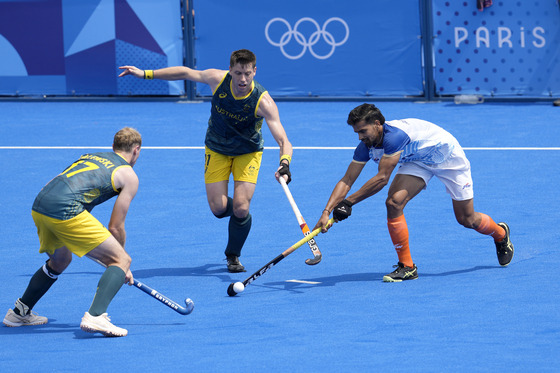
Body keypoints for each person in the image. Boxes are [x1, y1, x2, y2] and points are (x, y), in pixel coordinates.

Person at [119, 49, 293, 273]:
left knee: (240, 207)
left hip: (247, 152)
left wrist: (285, 163)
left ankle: (233, 254)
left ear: (254, 71)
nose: (242, 79)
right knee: (219, 209)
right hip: (217, 147)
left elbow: (283, 140)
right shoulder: (217, 79)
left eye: (247, 73)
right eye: (238, 73)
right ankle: (242, 216)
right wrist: (146, 74)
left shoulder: (263, 102)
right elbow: (185, 72)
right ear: (230, 70)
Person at [314, 103, 514, 282]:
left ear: (377, 123)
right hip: (417, 160)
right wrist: (326, 211)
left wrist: (347, 203)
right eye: (356, 132)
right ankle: (407, 267)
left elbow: (382, 178)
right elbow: (347, 180)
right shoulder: (365, 146)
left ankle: (500, 234)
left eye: (363, 131)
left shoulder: (394, 137)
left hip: (447, 157)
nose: (360, 137)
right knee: (394, 203)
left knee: (467, 219)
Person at [3, 128, 142, 337]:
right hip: (64, 210)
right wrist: (119, 262)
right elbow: (115, 226)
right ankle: (96, 316)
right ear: (136, 150)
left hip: (40, 205)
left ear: (113, 147)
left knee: (60, 261)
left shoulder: (91, 156)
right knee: (121, 259)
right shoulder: (129, 176)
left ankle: (19, 313)